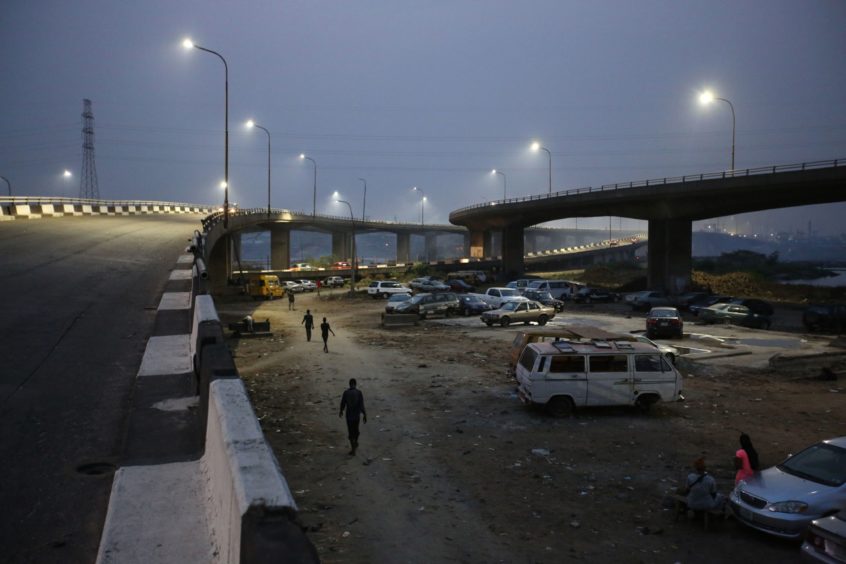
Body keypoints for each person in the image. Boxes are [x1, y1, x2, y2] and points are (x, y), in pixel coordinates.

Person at [339, 378, 367, 455]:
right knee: (356, 431)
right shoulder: (359, 393)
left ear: (349, 384)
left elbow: (343, 403)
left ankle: (353, 448)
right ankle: (356, 442)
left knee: (351, 432)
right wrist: (365, 415)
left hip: (349, 416)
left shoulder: (346, 393)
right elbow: (361, 405)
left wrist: (341, 411)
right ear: (355, 384)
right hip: (356, 416)